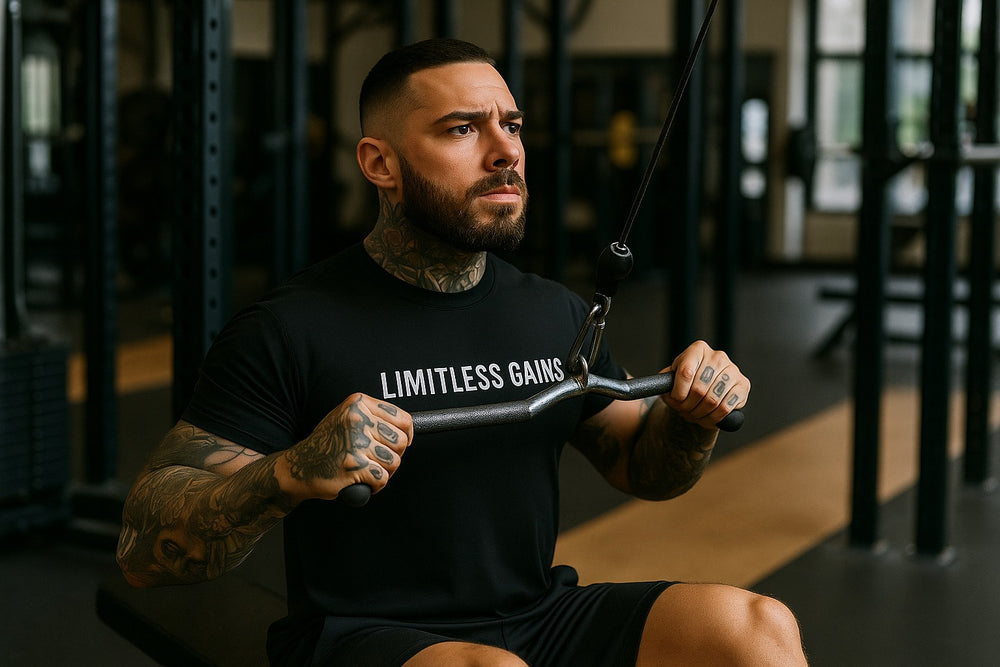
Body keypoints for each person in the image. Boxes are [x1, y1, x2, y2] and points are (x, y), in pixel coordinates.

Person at [117, 38, 807, 666]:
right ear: (379, 163)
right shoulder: (290, 327)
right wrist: (290, 471)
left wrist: (692, 415)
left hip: (539, 617)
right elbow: (144, 550)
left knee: (755, 625)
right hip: (361, 635)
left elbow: (642, 467)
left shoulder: (554, 312)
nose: (504, 150)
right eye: (462, 129)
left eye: (511, 125)